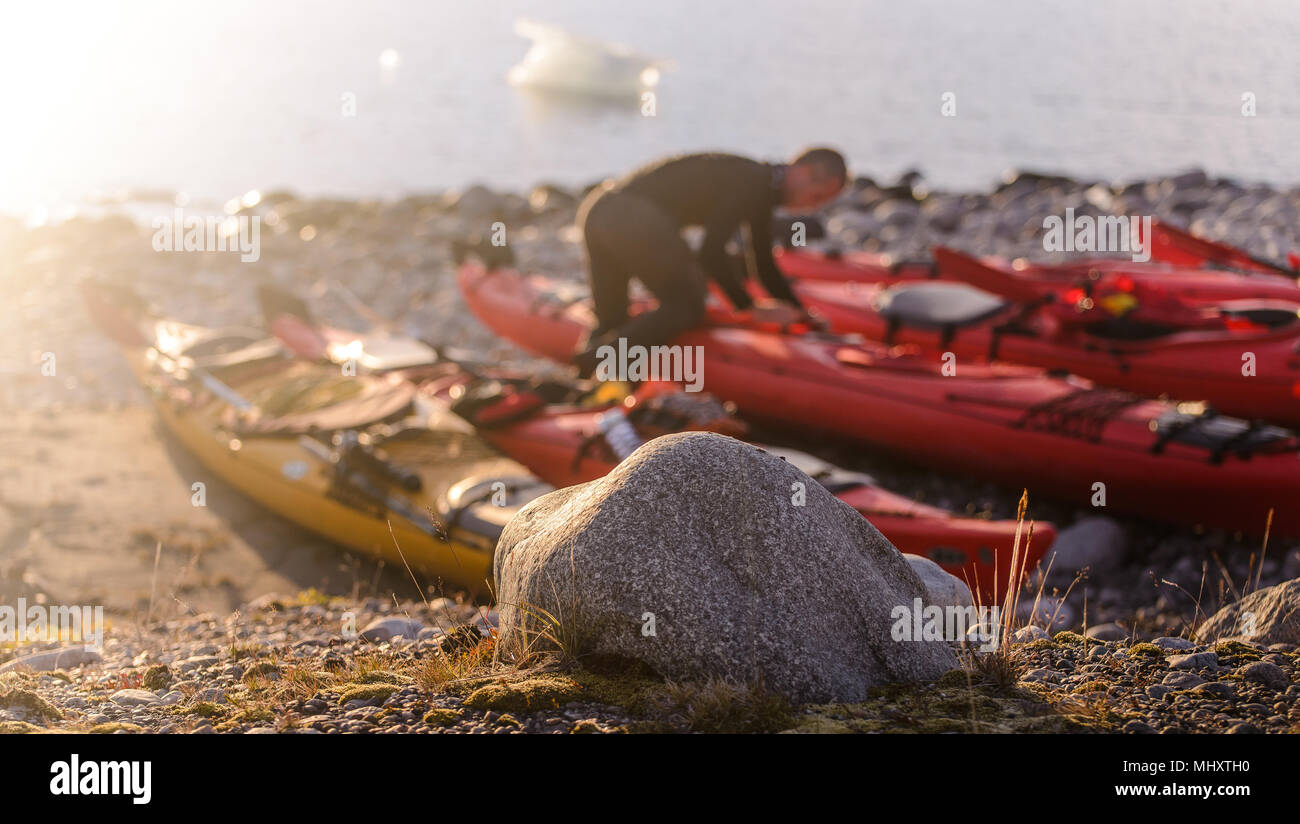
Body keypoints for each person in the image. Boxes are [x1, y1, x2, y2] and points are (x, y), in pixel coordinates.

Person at [572, 148, 848, 375]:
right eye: (817, 196)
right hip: (629, 215)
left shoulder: (759, 182)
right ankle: (596, 364)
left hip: (599, 210)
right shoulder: (753, 184)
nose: (812, 207)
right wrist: (748, 307)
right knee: (687, 304)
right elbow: (711, 254)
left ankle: (584, 374)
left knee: (612, 315)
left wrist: (802, 313)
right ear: (803, 171)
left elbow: (763, 263)